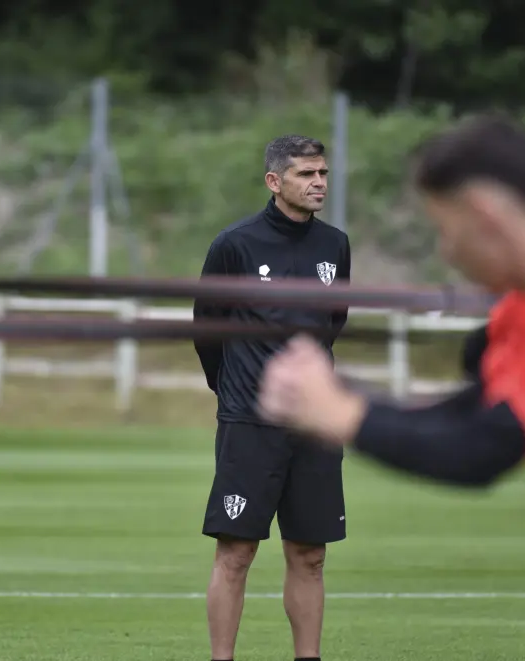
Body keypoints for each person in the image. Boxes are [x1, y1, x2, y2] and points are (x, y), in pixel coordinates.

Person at [257, 114, 525, 661]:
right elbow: (474, 409)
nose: (448, 253)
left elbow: (484, 449)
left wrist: (345, 415)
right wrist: (346, 397)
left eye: (446, 228)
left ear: (483, 216)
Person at [193, 134, 351, 661]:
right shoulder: (234, 245)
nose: (319, 184)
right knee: (236, 552)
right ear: (274, 181)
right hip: (250, 424)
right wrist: (236, 389)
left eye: (323, 174)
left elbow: (333, 324)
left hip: (315, 426)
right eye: (306, 175)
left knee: (310, 555)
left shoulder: (335, 246)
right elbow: (207, 329)